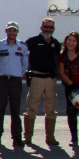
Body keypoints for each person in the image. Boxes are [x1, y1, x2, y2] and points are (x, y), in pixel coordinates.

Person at [23, 18, 62, 146]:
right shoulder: (33, 41)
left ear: (54, 29)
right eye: (46, 27)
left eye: (50, 27)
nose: (48, 30)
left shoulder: (56, 44)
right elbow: (20, 53)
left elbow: (61, 60)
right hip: (36, 78)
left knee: (51, 109)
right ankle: (27, 137)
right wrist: (23, 70)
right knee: (32, 107)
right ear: (41, 27)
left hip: (51, 79)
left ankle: (50, 137)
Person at [0, 22, 28, 147]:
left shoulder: (22, 46)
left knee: (15, 110)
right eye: (9, 30)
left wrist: (17, 74)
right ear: (6, 31)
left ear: (17, 32)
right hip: (2, 80)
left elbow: (24, 64)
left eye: (14, 31)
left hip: (16, 81)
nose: (12, 33)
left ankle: (17, 138)